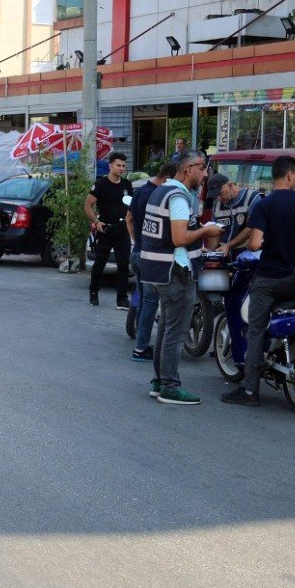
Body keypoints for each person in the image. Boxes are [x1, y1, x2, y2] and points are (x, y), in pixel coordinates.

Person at [223, 155, 295, 407]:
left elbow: (254, 243)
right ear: (289, 175)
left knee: (255, 329)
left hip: (269, 277)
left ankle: (250, 392)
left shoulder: (263, 205)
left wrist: (267, 243)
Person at [140, 151, 223, 405]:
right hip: (175, 270)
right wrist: (206, 230)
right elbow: (179, 238)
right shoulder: (177, 197)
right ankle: (170, 386)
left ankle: (159, 381)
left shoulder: (162, 190)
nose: (206, 174)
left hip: (160, 270)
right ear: (189, 170)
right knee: (175, 332)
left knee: (166, 327)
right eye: (203, 168)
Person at [125, 163, 175, 361]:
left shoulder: (140, 191)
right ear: (167, 179)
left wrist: (136, 241)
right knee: (151, 302)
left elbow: (128, 218)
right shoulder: (158, 196)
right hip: (150, 256)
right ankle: (141, 347)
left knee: (144, 298)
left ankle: (140, 336)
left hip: (137, 253)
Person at [84, 152, 133, 308]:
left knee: (123, 265)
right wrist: (96, 222)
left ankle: (122, 298)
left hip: (122, 229)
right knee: (100, 262)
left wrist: (129, 222)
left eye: (124, 166)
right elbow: (87, 205)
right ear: (110, 165)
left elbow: (130, 205)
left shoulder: (127, 184)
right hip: (105, 228)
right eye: (118, 165)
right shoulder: (100, 184)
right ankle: (93, 291)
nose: (121, 168)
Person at [207, 173, 261, 257]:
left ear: (230, 186)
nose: (218, 198)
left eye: (220, 193)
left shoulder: (252, 198)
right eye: (215, 195)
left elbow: (251, 229)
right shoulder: (217, 204)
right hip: (224, 254)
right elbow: (216, 233)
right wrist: (209, 252)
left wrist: (228, 246)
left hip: (246, 254)